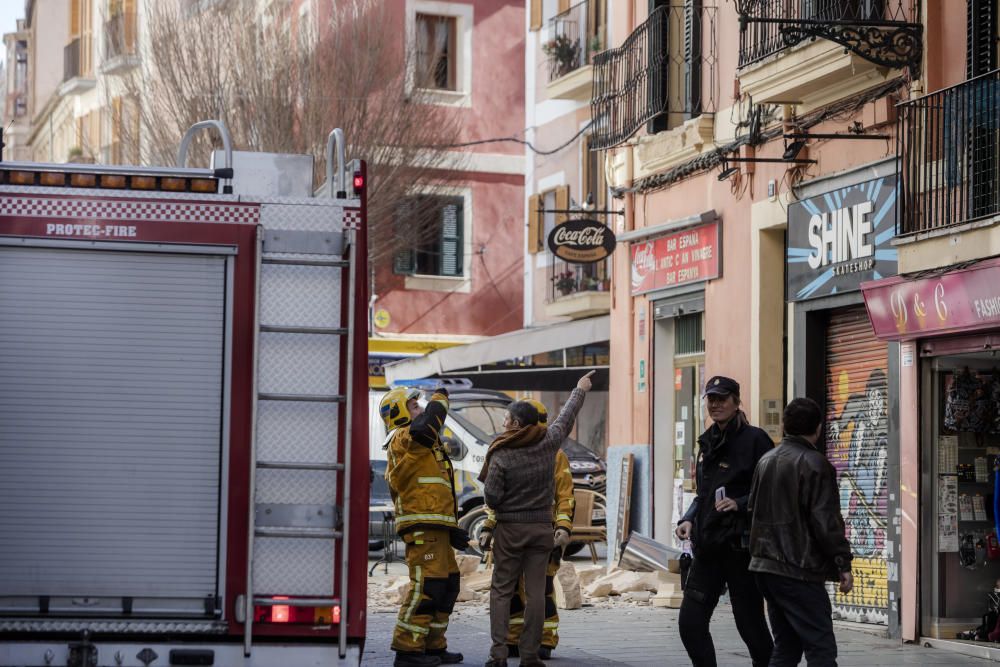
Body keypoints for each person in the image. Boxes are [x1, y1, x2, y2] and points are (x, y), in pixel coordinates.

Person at [481, 372, 593, 667]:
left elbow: (491, 498)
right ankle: (530, 656)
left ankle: (499, 655)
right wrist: (579, 389)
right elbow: (566, 419)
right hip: (541, 532)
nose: (503, 423)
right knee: (536, 594)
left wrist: (495, 515)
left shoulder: (502, 454)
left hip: (510, 532)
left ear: (516, 424)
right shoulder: (548, 446)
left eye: (506, 419)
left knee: (501, 592)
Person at [675, 375, 774, 667]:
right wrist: (689, 519)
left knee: (750, 625)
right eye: (711, 399)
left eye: (722, 399)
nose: (716, 405)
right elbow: (704, 494)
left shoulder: (756, 440)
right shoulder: (708, 441)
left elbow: (770, 490)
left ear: (736, 401)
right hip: (708, 547)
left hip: (740, 548)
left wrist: (740, 503)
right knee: (690, 623)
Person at [748, 397, 854, 667]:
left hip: (766, 568)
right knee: (821, 648)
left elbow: (752, 511)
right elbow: (826, 521)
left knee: (787, 646)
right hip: (798, 570)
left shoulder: (765, 461)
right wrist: (842, 562)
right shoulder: (815, 464)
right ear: (818, 428)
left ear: (785, 425)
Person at [382, 386, 469, 667]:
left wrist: (450, 527)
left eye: (420, 406)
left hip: (435, 526)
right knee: (428, 587)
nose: (419, 409)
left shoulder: (424, 444)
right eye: (413, 405)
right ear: (399, 413)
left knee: (447, 586)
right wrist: (440, 399)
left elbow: (437, 489)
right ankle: (407, 650)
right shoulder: (404, 437)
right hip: (421, 527)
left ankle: (433, 645)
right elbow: (425, 427)